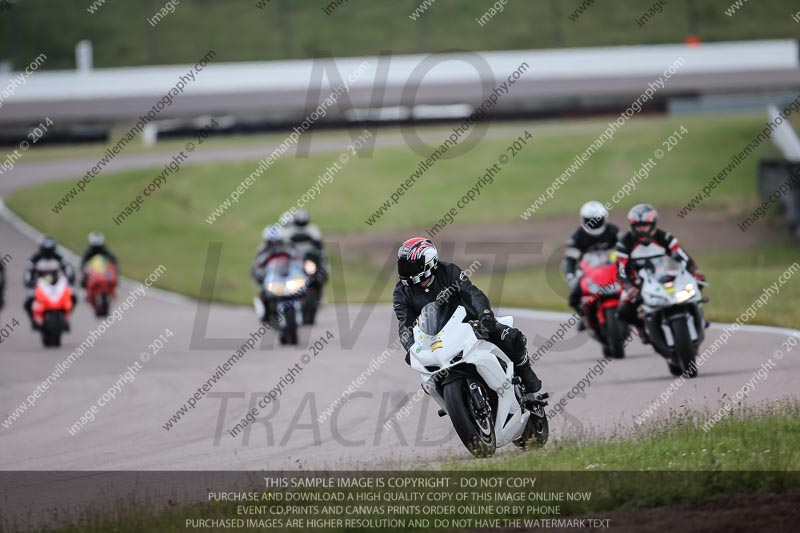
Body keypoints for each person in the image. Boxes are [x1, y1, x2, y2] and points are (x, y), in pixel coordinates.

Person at [392, 237, 542, 395]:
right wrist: (410, 347)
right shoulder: (401, 292)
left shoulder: (449, 271)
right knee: (428, 381)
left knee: (512, 337)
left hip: (468, 324)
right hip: (435, 338)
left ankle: (525, 372)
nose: (405, 271)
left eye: (410, 266)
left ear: (428, 262)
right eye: (403, 266)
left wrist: (485, 315)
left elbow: (473, 294)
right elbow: (404, 324)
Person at [615, 204, 705, 340]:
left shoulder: (665, 238)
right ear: (632, 226)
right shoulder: (624, 243)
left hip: (668, 278)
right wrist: (628, 287)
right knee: (623, 311)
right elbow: (621, 270)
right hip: (638, 283)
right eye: (638, 226)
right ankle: (643, 326)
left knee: (697, 285)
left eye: (645, 225)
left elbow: (684, 258)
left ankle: (697, 314)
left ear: (653, 224)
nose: (641, 230)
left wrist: (694, 272)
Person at [562, 201, 619, 321]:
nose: (595, 224)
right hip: (588, 272)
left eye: (598, 220)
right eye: (591, 221)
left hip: (611, 269)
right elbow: (570, 258)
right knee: (574, 298)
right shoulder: (577, 236)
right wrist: (570, 275)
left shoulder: (613, 231)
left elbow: (625, 248)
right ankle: (585, 318)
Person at [23, 236, 76, 329]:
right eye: (46, 250)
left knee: (73, 297)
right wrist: (29, 282)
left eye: (50, 250)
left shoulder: (59, 257)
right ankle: (34, 321)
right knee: (28, 302)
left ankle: (66, 318)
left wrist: (69, 278)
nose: (48, 252)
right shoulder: (35, 258)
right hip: (40, 285)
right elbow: (28, 271)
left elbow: (68, 268)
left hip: (56, 284)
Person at [251, 225, 297, 323]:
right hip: (271, 277)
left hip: (287, 276)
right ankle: (266, 314)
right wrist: (260, 275)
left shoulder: (288, 247)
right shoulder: (262, 250)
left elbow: (297, 259)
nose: (274, 243)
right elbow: (257, 266)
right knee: (263, 294)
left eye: (277, 241)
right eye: (272, 241)